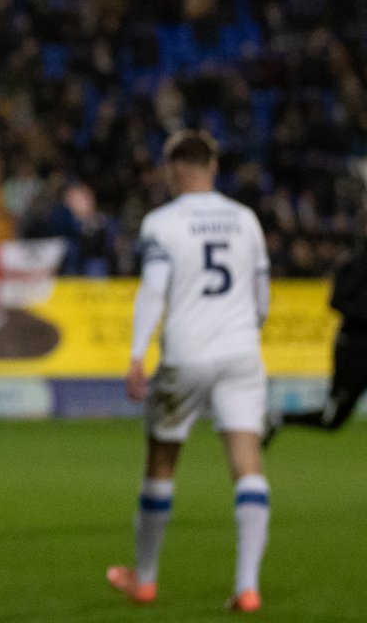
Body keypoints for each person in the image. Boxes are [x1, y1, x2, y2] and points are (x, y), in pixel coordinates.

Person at [106, 130, 271, 614]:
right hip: (241, 352)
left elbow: (153, 291)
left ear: (173, 169)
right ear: (212, 166)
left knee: (161, 465)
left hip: (185, 355)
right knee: (247, 467)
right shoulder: (246, 220)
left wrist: (137, 354)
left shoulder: (162, 222)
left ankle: (147, 580)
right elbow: (262, 297)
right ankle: (247, 587)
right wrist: (245, 331)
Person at [277, 245, 367, 431]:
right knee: (331, 420)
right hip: (354, 351)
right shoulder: (354, 264)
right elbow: (336, 301)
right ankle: (279, 418)